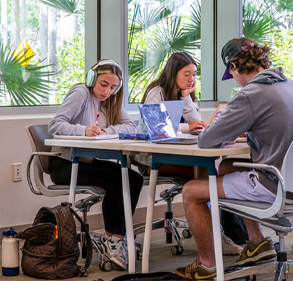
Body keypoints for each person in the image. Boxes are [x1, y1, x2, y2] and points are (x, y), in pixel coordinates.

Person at [175, 37, 293, 280]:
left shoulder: (252, 93)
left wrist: (229, 127)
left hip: (276, 185)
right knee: (229, 165)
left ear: (234, 66)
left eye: (232, 75)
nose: (235, 81)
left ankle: (208, 266)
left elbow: (206, 140)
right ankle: (257, 242)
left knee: (191, 191)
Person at [137, 51, 243, 255]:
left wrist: (186, 99)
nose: (191, 79)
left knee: (211, 169)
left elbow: (200, 124)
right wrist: (188, 127)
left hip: (181, 156)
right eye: (186, 74)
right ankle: (215, 236)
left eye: (194, 74)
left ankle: (215, 232)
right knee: (207, 170)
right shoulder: (156, 91)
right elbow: (157, 129)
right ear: (173, 73)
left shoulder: (187, 95)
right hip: (152, 158)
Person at [48, 59, 143, 271]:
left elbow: (130, 125)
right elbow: (54, 125)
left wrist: (106, 131)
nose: (107, 91)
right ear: (92, 79)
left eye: (113, 87)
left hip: (88, 162)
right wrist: (83, 130)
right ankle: (113, 241)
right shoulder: (81, 93)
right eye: (103, 84)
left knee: (134, 178)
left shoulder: (110, 100)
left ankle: (114, 238)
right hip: (65, 164)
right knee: (116, 183)